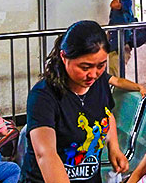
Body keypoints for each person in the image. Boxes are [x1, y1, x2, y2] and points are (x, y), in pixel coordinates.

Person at [21, 20, 128, 183]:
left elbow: (106, 115)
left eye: (101, 65)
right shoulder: (43, 96)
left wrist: (113, 146)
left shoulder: (99, 83)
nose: (93, 74)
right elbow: (46, 154)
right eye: (85, 67)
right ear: (64, 56)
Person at [106, 0, 134, 77]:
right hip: (113, 45)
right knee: (112, 72)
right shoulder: (116, 6)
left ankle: (119, 92)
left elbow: (113, 5)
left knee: (116, 75)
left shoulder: (126, 2)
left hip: (121, 45)